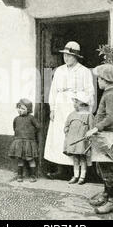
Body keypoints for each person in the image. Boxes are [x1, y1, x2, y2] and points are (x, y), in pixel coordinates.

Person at [44, 41, 95, 180]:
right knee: (60, 136)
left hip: (75, 108)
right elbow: (53, 90)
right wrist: (52, 108)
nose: (66, 58)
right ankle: (60, 169)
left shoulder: (84, 71)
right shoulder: (59, 70)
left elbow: (90, 91)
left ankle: (79, 173)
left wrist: (81, 105)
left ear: (76, 57)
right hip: (60, 107)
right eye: (65, 55)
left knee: (76, 138)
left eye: (70, 56)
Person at [85, 63, 113, 214]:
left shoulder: (111, 95)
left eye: (99, 79)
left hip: (108, 138)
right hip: (103, 136)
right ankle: (106, 194)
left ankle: (112, 201)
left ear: (106, 80)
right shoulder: (108, 93)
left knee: (107, 170)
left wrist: (95, 128)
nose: (97, 81)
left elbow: (110, 117)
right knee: (102, 168)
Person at [63, 92, 94, 185]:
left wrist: (90, 135)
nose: (74, 104)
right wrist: (66, 129)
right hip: (73, 140)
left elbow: (91, 127)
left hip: (82, 140)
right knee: (75, 158)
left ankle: (82, 177)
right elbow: (67, 125)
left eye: (76, 102)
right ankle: (75, 176)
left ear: (82, 104)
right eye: (75, 102)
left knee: (83, 158)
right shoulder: (71, 114)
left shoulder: (88, 115)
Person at [8, 98, 40, 182]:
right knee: (20, 159)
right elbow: (15, 128)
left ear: (28, 109)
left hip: (29, 142)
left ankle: (33, 175)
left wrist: (30, 134)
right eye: (19, 108)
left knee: (30, 159)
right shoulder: (16, 119)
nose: (20, 110)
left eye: (22, 108)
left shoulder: (31, 118)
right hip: (19, 141)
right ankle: (20, 175)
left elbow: (38, 127)